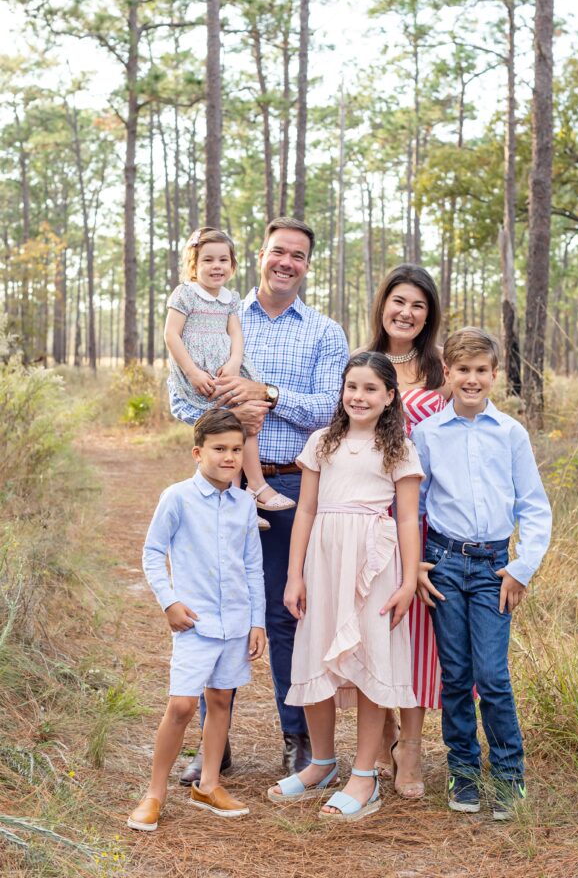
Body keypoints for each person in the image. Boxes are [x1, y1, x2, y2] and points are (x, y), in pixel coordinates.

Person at [179, 217, 349, 785]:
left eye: (297, 255)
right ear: (259, 255)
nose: (286, 262)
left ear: (307, 264)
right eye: (278, 251)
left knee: (284, 614)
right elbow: (183, 398)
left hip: (296, 487)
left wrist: (267, 395)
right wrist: (229, 414)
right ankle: (212, 747)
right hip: (221, 484)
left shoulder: (325, 332)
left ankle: (298, 740)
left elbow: (332, 409)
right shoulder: (218, 313)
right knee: (213, 610)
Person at [267, 352, 423, 821]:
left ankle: (364, 776)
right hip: (324, 557)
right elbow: (307, 511)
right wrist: (295, 575)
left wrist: (410, 580)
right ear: (342, 390)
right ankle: (321, 762)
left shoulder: (398, 448)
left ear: (390, 397)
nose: (359, 396)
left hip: (374, 561)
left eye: (371, 388)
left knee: (370, 656)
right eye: (352, 386)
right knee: (315, 652)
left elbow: (409, 518)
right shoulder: (321, 442)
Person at [413, 328, 552, 820]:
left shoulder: (510, 433)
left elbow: (535, 507)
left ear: (494, 375)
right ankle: (464, 771)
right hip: (446, 565)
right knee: (455, 676)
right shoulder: (427, 434)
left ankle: (510, 776)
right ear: (446, 374)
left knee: (492, 676)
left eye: (481, 371)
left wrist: (521, 568)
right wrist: (416, 562)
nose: (472, 380)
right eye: (462, 371)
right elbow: (415, 504)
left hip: (496, 568)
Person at [127, 409, 266, 832]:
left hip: (235, 623)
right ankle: (155, 793)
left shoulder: (244, 503)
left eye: (237, 450)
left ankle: (208, 784)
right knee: (184, 704)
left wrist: (256, 621)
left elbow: (253, 566)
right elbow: (153, 552)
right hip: (195, 621)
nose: (229, 457)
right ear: (197, 452)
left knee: (221, 700)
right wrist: (169, 602)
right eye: (220, 449)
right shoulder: (177, 498)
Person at [362, 264, 450, 798]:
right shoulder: (365, 362)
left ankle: (412, 748)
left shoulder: (442, 369)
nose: (407, 313)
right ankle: (384, 732)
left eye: (418, 305)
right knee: (375, 623)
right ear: (383, 304)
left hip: (425, 517)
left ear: (429, 314)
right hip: (372, 514)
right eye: (398, 301)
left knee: (417, 632)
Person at [164, 226, 296, 530]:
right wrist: (193, 372)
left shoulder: (230, 299)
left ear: (232, 266)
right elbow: (171, 335)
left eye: (223, 260)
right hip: (200, 373)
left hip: (226, 370)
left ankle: (249, 490)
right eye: (208, 260)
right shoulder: (185, 294)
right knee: (227, 426)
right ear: (194, 266)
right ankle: (242, 493)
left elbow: (236, 334)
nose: (216, 266)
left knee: (249, 417)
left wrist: (235, 363)